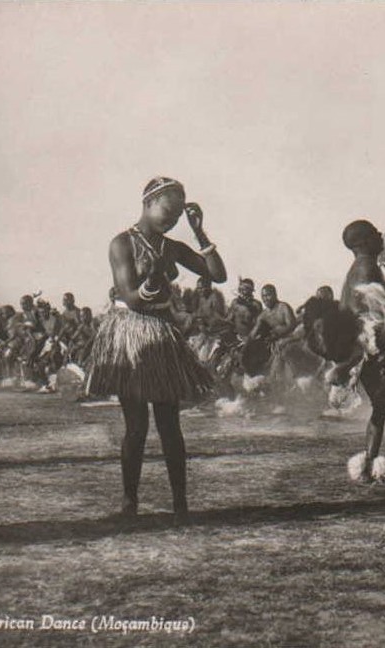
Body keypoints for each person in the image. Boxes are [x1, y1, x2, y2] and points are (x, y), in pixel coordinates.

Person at [86, 177, 227, 523]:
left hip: (163, 337)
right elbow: (130, 297)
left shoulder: (174, 247)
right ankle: (129, 502)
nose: (173, 219)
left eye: (179, 215)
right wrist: (151, 283)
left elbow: (217, 274)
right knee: (136, 427)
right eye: (169, 210)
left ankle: (181, 504)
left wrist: (200, 233)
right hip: (133, 339)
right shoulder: (122, 244)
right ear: (148, 204)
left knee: (170, 426)